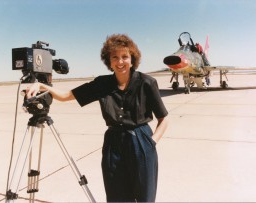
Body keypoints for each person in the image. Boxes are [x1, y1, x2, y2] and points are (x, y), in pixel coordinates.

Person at [27, 34, 168, 202]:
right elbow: (66, 96)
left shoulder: (147, 82)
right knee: (116, 196)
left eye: (125, 56)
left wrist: (151, 143)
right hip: (113, 144)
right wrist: (42, 86)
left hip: (141, 142)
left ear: (132, 59)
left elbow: (164, 119)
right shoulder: (102, 84)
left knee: (145, 197)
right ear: (109, 61)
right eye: (115, 57)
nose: (120, 62)